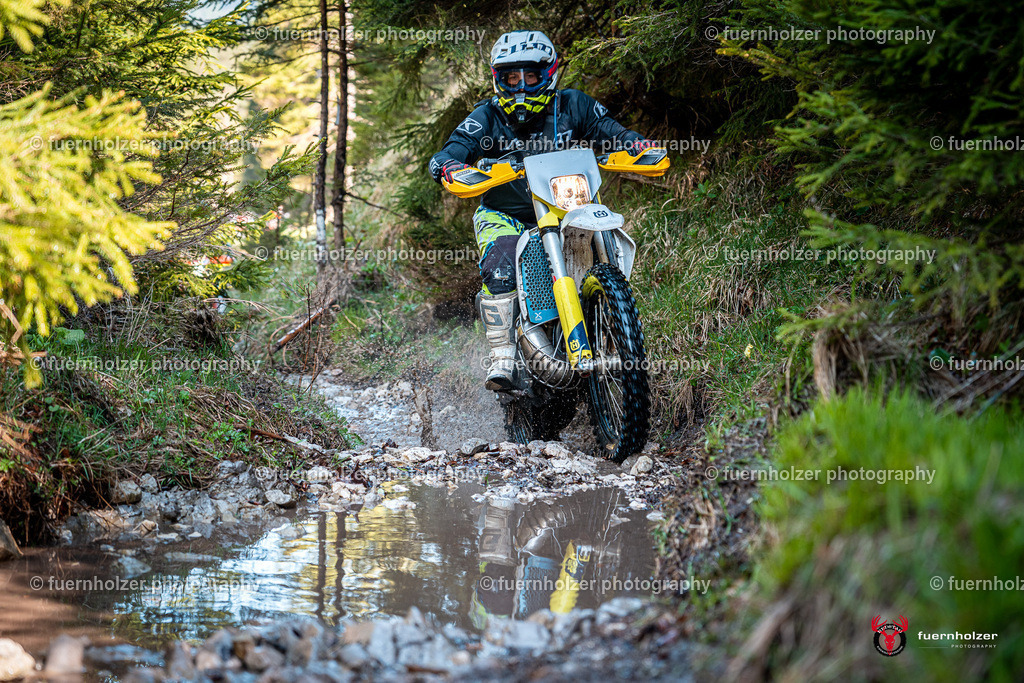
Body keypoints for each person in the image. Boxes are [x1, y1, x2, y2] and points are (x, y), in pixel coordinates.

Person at [429, 30, 657, 391]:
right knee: (501, 262)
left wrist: (633, 143)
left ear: (547, 74)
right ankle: (503, 353)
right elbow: (453, 148)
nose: (521, 86)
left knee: (605, 240)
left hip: (568, 207)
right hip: (506, 215)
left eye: (530, 76)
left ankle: (617, 323)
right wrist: (449, 166)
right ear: (497, 79)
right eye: (511, 78)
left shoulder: (572, 105)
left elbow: (608, 129)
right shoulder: (485, 116)